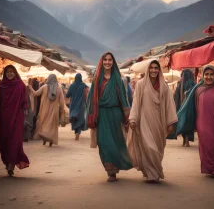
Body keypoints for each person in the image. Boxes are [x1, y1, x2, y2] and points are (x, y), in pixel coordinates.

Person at [176, 65, 214, 178]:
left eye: (212, 74)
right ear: (203, 75)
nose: (209, 77)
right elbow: (192, 108)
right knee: (209, 145)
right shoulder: (198, 89)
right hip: (203, 122)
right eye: (206, 74)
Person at [127, 60, 178, 182]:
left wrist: (170, 123)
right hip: (144, 120)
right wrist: (133, 118)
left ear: (159, 70)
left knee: (157, 148)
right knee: (149, 147)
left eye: (156, 68)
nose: (154, 70)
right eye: (152, 68)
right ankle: (153, 175)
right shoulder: (140, 85)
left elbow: (169, 105)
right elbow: (136, 103)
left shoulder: (164, 87)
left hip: (159, 122)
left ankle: (151, 171)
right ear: (148, 69)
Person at [86, 52, 132, 182]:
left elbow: (123, 98)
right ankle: (110, 171)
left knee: (116, 143)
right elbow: (91, 99)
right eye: (105, 60)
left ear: (113, 62)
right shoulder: (97, 79)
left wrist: (127, 116)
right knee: (104, 143)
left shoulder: (117, 78)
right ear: (102, 61)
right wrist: (91, 116)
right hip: (102, 115)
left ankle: (114, 170)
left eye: (110, 60)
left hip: (115, 115)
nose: (107, 62)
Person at [0, 65, 30, 176]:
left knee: (15, 141)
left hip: (17, 117)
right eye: (8, 72)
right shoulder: (2, 85)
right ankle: (8, 161)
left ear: (15, 73)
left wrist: (25, 107)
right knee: (4, 140)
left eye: (12, 72)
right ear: (5, 74)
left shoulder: (20, 85)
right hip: (4, 117)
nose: (10, 74)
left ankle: (11, 166)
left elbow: (24, 99)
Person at [29, 74, 65, 147]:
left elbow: (36, 94)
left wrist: (30, 88)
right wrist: (62, 110)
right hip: (54, 110)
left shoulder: (44, 87)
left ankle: (45, 139)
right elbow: (61, 101)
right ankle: (51, 141)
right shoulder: (59, 88)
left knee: (44, 124)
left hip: (44, 110)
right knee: (52, 126)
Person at [174, 69, 196, 147]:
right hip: (189, 108)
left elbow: (176, 96)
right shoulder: (192, 83)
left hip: (181, 107)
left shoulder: (180, 84)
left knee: (183, 123)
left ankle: (185, 140)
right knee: (188, 123)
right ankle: (186, 141)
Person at [66, 73, 89, 140]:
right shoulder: (83, 85)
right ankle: (78, 132)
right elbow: (88, 89)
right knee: (80, 118)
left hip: (73, 104)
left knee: (74, 118)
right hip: (81, 105)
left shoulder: (72, 85)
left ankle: (76, 131)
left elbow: (67, 95)